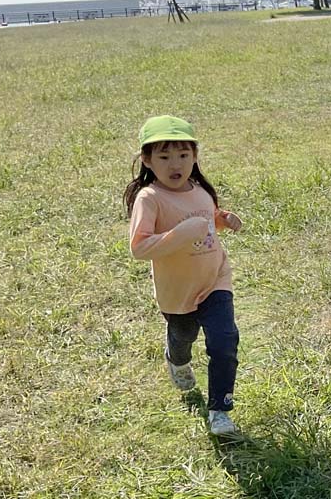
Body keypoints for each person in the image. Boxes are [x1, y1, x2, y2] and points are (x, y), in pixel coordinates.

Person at [124, 115, 244, 436]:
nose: (174, 164)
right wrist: (179, 234)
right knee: (183, 339)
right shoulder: (149, 199)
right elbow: (139, 248)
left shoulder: (200, 190)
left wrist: (223, 219)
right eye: (164, 157)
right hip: (177, 293)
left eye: (183, 155)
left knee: (224, 341)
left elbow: (205, 219)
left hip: (215, 279)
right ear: (147, 160)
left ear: (194, 156)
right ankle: (176, 360)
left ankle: (220, 409)